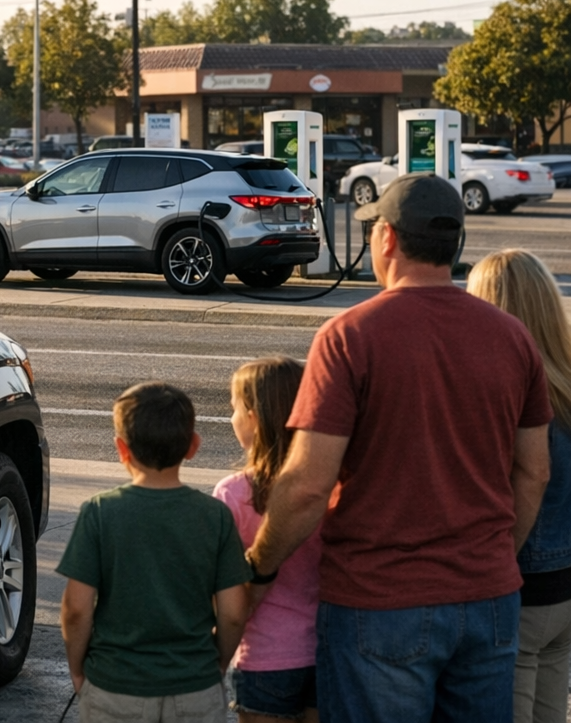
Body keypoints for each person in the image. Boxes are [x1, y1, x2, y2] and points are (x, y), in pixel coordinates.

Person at [244, 173, 553, 723]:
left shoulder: (349, 337)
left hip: (378, 604)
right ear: (454, 243)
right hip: (489, 599)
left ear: (386, 238)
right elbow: (534, 472)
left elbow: (309, 484)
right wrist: (498, 554)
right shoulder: (513, 337)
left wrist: (260, 566)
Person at [58, 381, 251, 723]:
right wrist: (215, 665)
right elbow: (234, 612)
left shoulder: (100, 512)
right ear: (193, 446)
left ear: (121, 449)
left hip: (115, 688)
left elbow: (76, 608)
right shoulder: (214, 516)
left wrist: (77, 670)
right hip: (195, 688)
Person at [468, 250, 571, 723]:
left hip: (523, 584)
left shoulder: (513, 396)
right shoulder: (566, 384)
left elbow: (529, 479)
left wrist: (498, 561)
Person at [213, 356, 320, 723]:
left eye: (233, 410)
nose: (231, 419)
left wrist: (217, 656)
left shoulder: (234, 495)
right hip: (328, 652)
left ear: (253, 417)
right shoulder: (327, 491)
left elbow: (223, 593)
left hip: (265, 658)